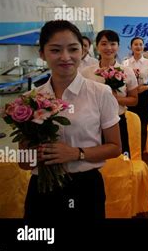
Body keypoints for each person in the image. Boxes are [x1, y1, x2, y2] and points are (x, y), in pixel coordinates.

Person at [22, 20, 121, 219]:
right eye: (56, 50)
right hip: (42, 187)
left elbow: (115, 147)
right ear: (42, 54)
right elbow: (23, 162)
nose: (65, 57)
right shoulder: (30, 99)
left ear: (83, 51)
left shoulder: (100, 93)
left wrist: (76, 153)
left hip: (85, 186)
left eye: (73, 49)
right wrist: (37, 155)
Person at [81, 30, 138, 159]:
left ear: (118, 46)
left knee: (121, 161)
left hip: (118, 121)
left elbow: (134, 100)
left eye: (112, 44)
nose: (108, 48)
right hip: (93, 123)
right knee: (96, 161)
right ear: (97, 46)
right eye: (104, 44)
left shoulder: (127, 71)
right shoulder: (86, 73)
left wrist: (115, 98)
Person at [123, 37, 148, 157]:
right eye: (135, 44)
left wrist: (146, 87)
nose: (138, 46)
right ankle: (128, 155)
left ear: (143, 47)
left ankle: (140, 154)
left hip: (143, 97)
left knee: (142, 127)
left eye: (140, 44)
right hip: (130, 97)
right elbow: (122, 80)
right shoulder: (125, 62)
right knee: (129, 126)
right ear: (131, 47)